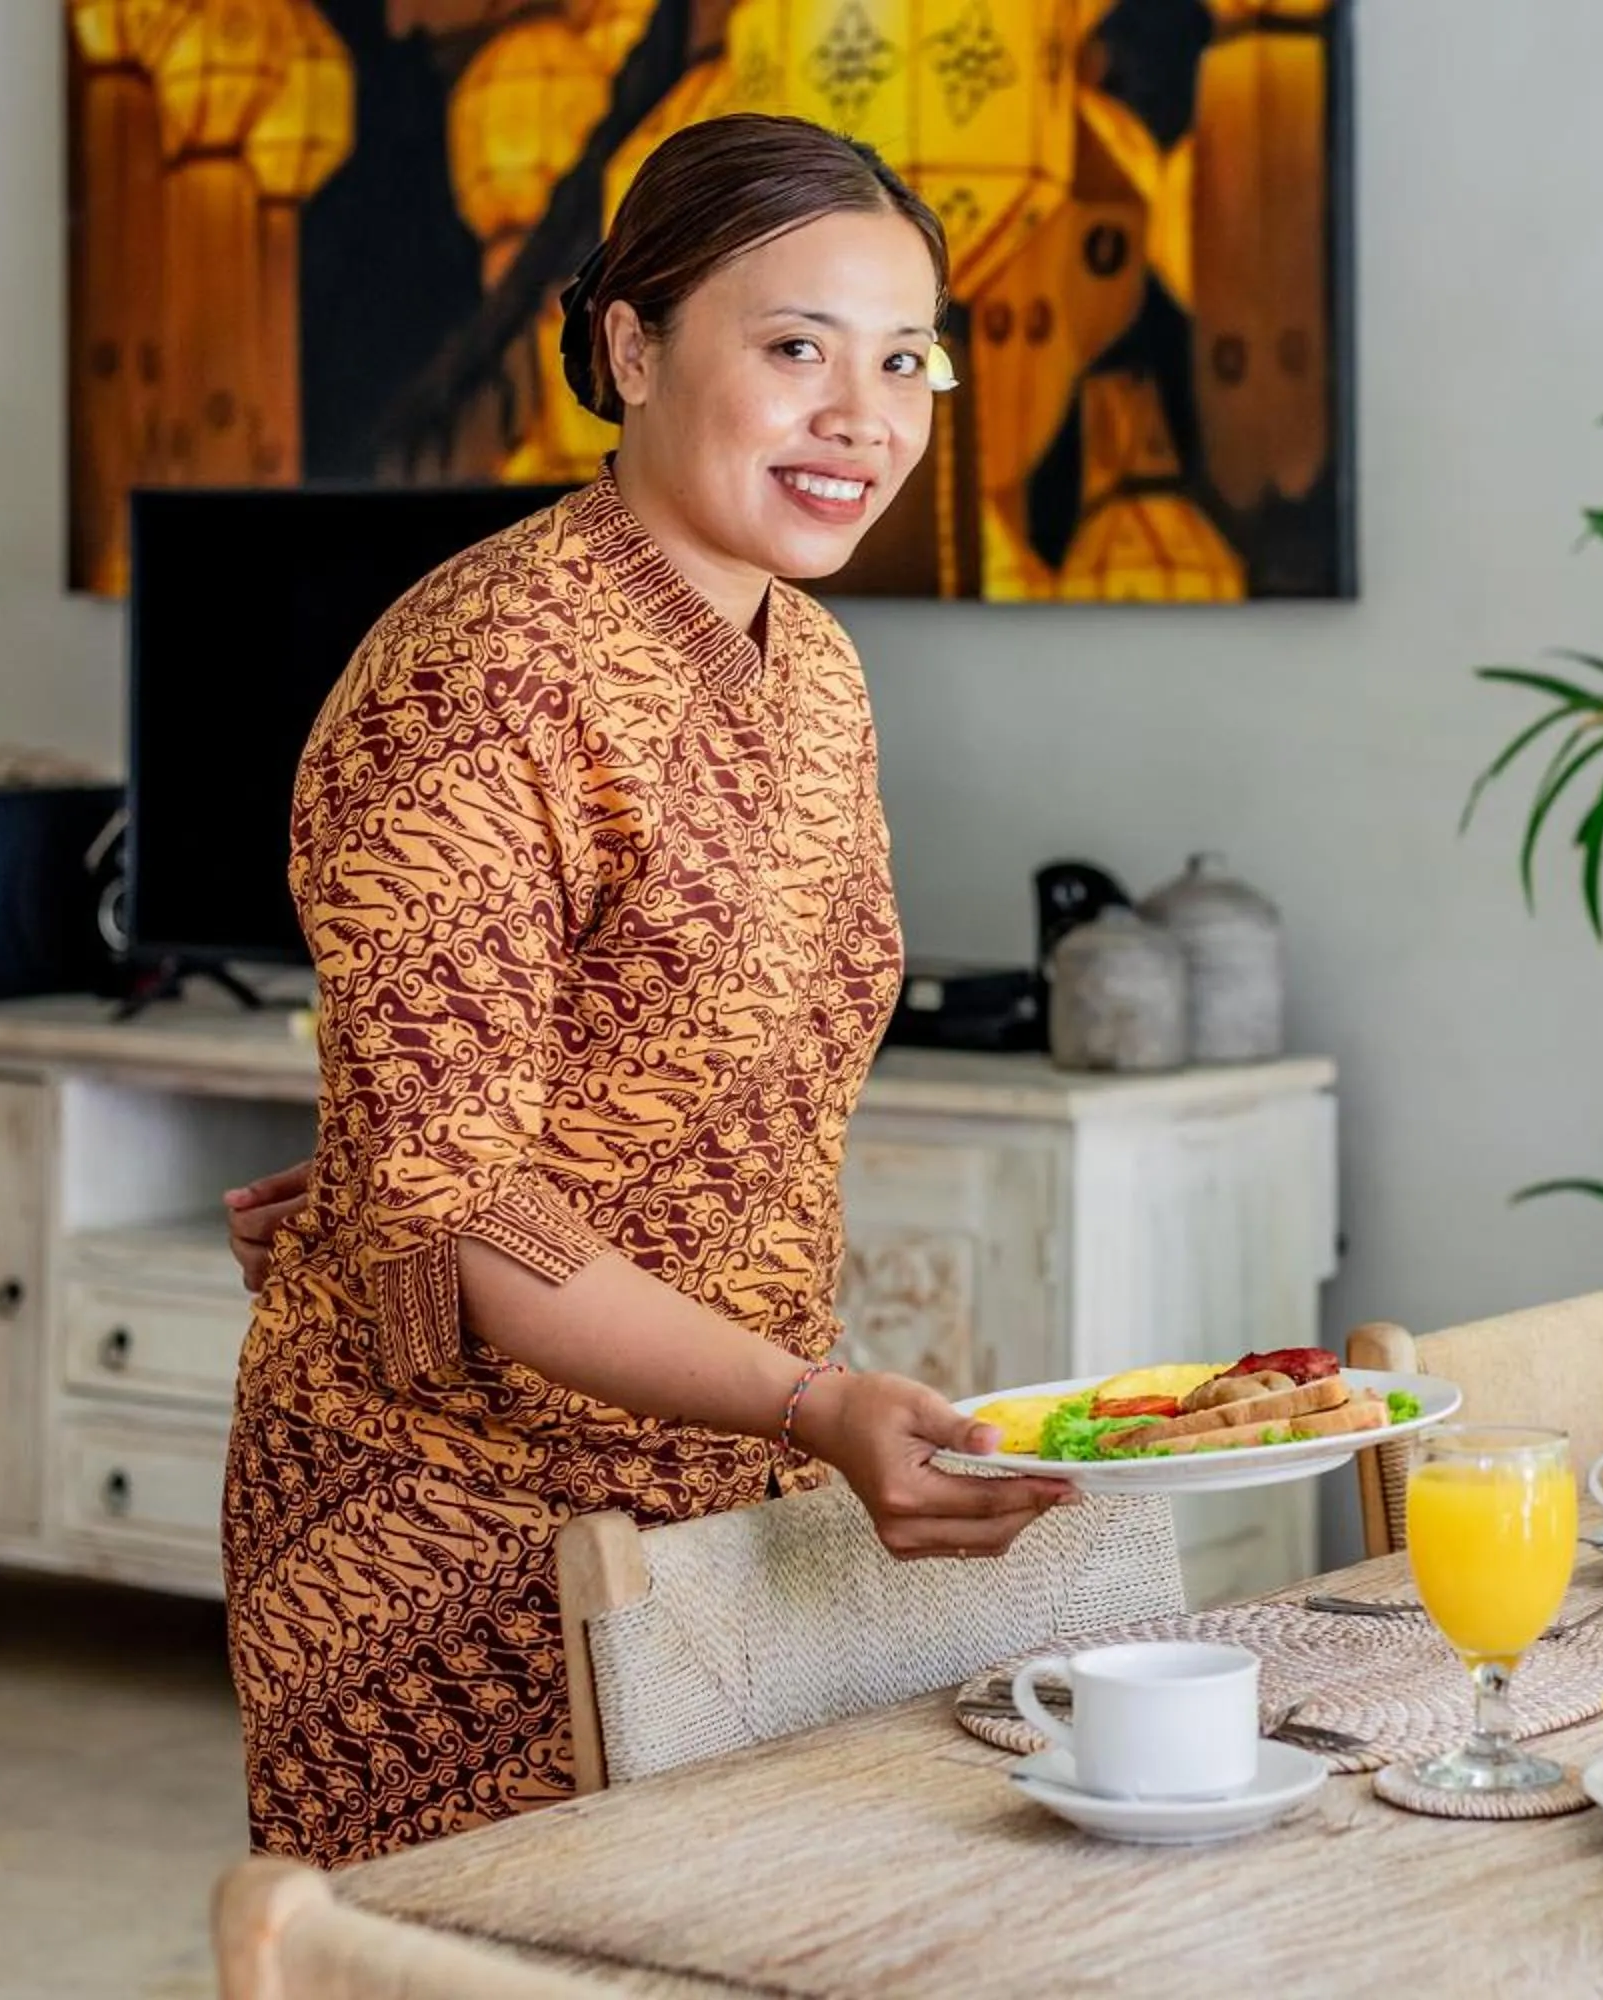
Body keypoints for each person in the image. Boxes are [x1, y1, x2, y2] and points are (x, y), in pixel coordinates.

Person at [218, 113, 1069, 1870]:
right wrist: (811, 1397)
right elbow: (465, 1220)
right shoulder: (485, 679)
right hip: (452, 1534)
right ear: (630, 347)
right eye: (794, 349)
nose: (867, 416)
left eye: (906, 358)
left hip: (719, 1497)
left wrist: (407, 1178)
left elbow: (624, 1080)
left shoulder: (813, 667)